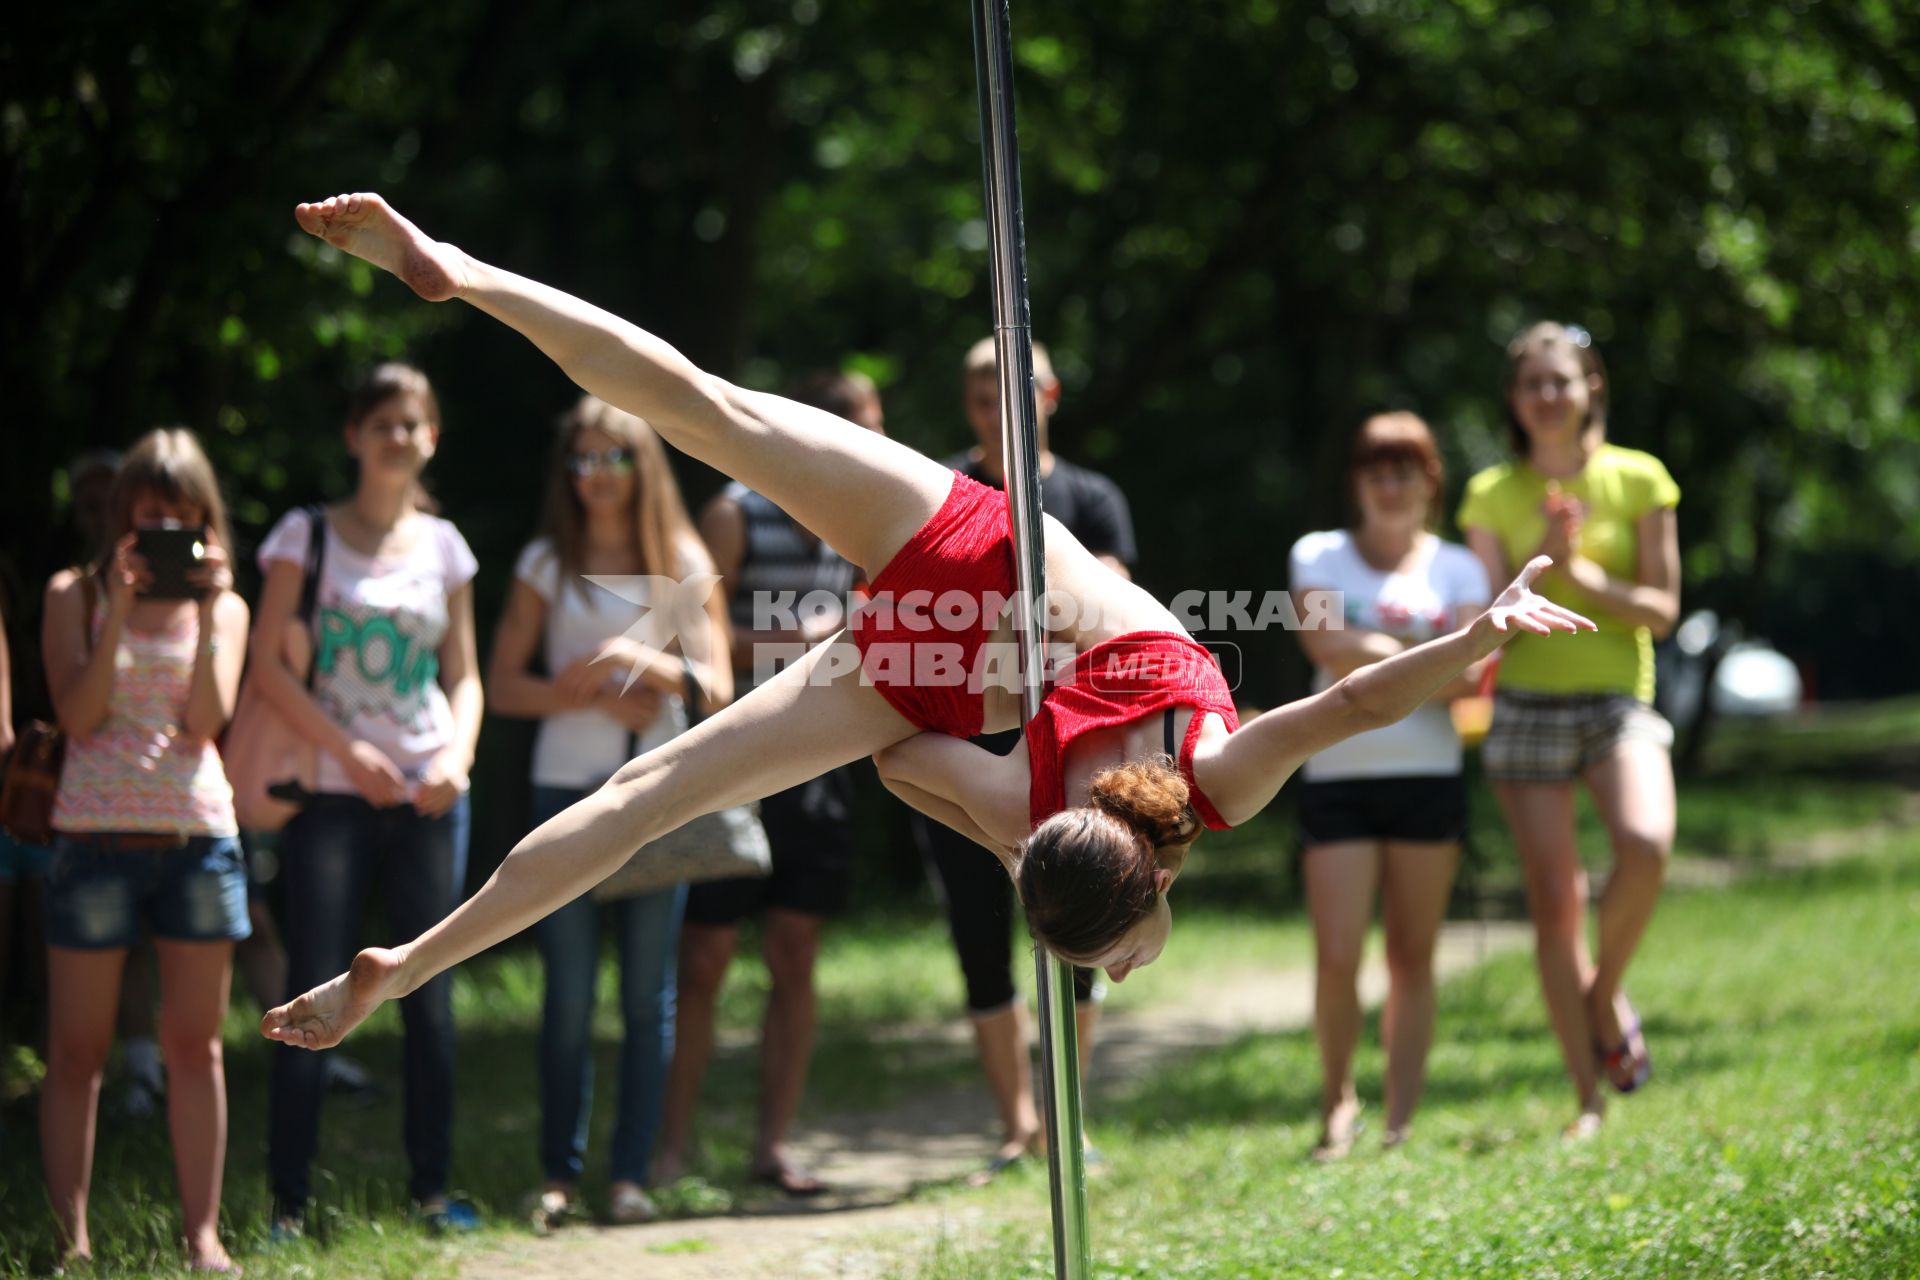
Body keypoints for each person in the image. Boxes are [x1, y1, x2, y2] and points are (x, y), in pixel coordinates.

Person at [262, 192, 1591, 1058]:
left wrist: (1480, 637)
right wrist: (979, 799)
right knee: (649, 797)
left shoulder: (1206, 783)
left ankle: (463, 272)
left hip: (974, 558)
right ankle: (413, 964)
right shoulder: (1050, 813)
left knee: (705, 408)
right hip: (931, 667)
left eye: (1110, 964)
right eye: (1120, 960)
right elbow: (900, 768)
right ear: (1108, 880)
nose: (1125, 972)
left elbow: (1351, 704)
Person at [253, 361, 484, 1233]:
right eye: (382, 422)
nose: (399, 437)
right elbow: (269, 667)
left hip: (430, 798)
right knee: (313, 989)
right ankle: (287, 1208)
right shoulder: (302, 536)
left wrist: (458, 757)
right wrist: (347, 752)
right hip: (331, 796)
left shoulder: (446, 546)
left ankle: (431, 1194)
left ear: (432, 438)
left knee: (429, 990)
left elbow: (463, 678)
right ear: (354, 435)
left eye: (413, 423)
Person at [488, 395, 730, 1226]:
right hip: (565, 797)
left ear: (642, 466)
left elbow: (721, 689)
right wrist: (581, 693)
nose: (595, 475)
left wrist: (644, 663)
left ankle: (629, 1177)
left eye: (612, 458)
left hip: (656, 802)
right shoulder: (544, 564)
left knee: (645, 999)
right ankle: (558, 1176)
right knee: (567, 995)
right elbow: (500, 685)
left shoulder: (682, 556)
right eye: (582, 460)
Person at [913, 338, 1136, 1181]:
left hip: (1068, 745)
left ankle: (1065, 1123)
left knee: (1077, 929)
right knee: (979, 937)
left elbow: (1108, 602)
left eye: (1010, 385)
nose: (993, 401)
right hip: (963, 741)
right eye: (978, 389)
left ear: (1050, 394)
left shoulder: (1091, 495)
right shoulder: (943, 488)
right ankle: (1016, 1128)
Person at [654, 371, 879, 1196]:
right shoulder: (732, 511)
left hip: (820, 766)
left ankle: (771, 1147)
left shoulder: (862, 525)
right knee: (706, 956)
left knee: (795, 952)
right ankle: (670, 1150)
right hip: (735, 758)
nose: (878, 450)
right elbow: (693, 643)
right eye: (865, 431)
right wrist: (804, 639)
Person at [1457, 323, 1680, 1138]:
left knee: (1646, 845)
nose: (1548, 396)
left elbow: (1663, 609)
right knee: (1557, 907)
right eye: (1532, 384)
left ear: (1593, 387)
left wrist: (1582, 575)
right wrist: (1539, 564)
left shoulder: (1640, 479)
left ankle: (1600, 996)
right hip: (1524, 707)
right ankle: (1587, 1099)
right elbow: (1484, 624)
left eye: (1563, 380)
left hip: (1617, 699)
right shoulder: (1490, 493)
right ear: (1514, 402)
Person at [39, 429, 251, 1272]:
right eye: (146, 505)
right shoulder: (72, 594)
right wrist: (120, 611)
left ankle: (203, 1237)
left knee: (195, 1047)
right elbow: (80, 716)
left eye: (178, 508)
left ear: (204, 515)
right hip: (92, 841)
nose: (160, 519)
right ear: (121, 507)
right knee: (77, 1051)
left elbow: (205, 721)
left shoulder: (226, 607)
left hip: (197, 841)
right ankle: (71, 1242)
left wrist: (201, 613)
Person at [1289, 413, 1491, 1159]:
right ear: (1357, 481)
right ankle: (1338, 1105)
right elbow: (1321, 644)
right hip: (1336, 774)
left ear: (1430, 480)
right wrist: (1424, 655)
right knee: (1337, 956)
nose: (1390, 480)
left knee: (1412, 957)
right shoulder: (1317, 554)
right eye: (1376, 466)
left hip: (1428, 778)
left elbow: (1470, 676)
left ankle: (1400, 1121)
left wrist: (1376, 653)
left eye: (1405, 466)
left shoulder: (1461, 568)